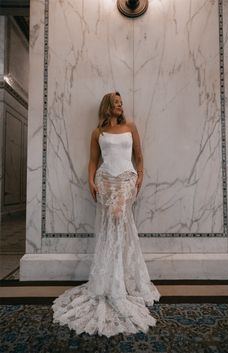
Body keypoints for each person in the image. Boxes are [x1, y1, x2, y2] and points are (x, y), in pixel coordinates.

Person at [52, 91, 161, 337]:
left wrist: (139, 177)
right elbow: (93, 160)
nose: (121, 106)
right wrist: (91, 180)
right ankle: (110, 281)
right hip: (104, 180)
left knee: (118, 220)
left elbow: (139, 157)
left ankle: (121, 282)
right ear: (107, 106)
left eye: (122, 103)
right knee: (110, 228)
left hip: (126, 179)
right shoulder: (97, 133)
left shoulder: (131, 127)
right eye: (116, 103)